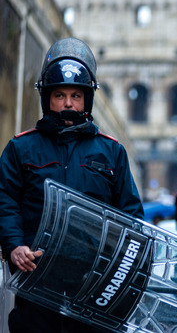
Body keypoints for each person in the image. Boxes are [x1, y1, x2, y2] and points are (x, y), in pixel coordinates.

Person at [0, 37, 144, 332]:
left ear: (87, 99)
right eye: (60, 95)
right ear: (47, 99)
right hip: (36, 277)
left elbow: (131, 214)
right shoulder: (20, 148)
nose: (68, 103)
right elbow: (5, 200)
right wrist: (14, 244)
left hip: (93, 280)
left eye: (76, 96)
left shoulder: (111, 151)